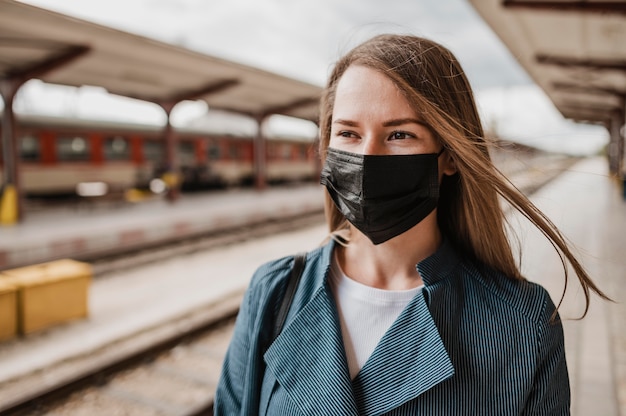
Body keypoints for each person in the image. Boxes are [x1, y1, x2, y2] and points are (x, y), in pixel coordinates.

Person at [214, 34, 608, 415]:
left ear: (451, 156)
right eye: (348, 133)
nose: (367, 157)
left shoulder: (524, 323)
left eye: (399, 134)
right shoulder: (273, 291)